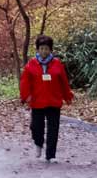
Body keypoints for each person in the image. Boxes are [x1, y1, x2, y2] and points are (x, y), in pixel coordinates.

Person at [19, 34, 73, 163]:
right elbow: (24, 82)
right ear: (37, 50)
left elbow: (64, 82)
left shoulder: (57, 64)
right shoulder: (31, 65)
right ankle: (38, 143)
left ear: (51, 50)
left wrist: (67, 96)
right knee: (36, 127)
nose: (44, 51)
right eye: (41, 48)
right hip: (37, 101)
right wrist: (26, 96)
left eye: (47, 49)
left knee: (53, 129)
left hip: (54, 101)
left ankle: (50, 155)